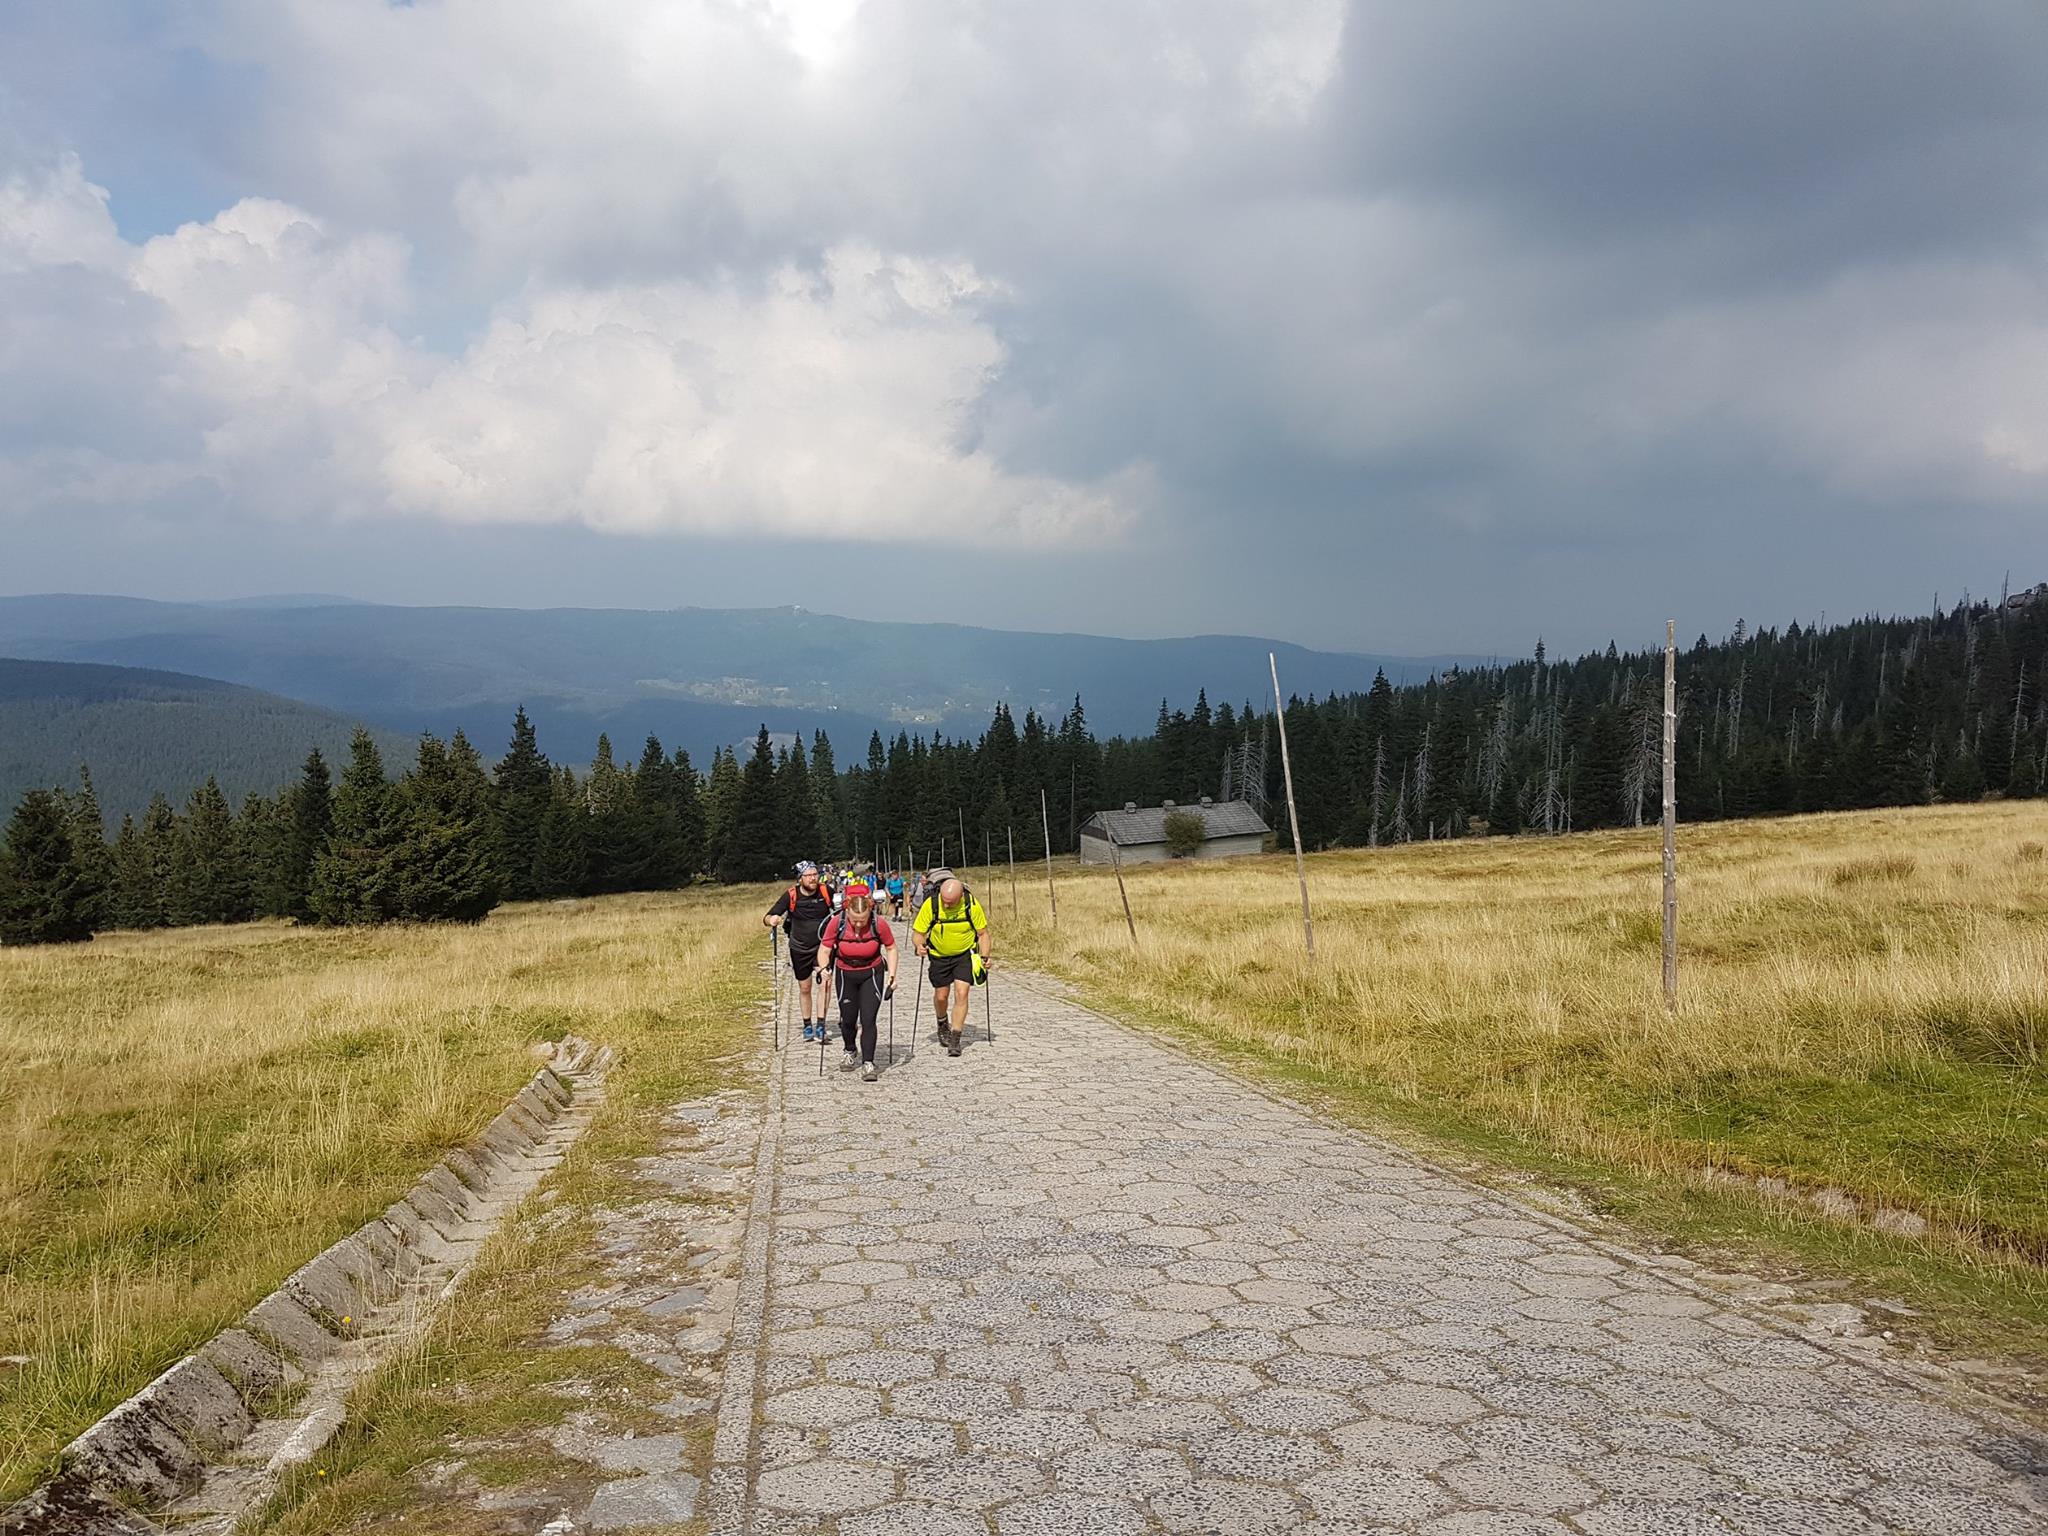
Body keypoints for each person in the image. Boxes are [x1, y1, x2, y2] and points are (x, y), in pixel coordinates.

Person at [818, 880, 898, 1082]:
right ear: (849, 913)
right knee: (848, 1019)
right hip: (845, 973)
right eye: (855, 920)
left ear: (869, 911)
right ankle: (850, 1050)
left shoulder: (878, 923)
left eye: (863, 920)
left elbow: (891, 947)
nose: (859, 924)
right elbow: (825, 948)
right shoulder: (838, 922)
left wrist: (892, 976)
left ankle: (868, 1062)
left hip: (872, 972)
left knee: (869, 1019)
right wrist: (824, 967)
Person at [910, 873, 991, 1058]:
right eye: (944, 901)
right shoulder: (932, 904)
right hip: (938, 956)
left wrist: (985, 955)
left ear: (961, 896)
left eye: (951, 902)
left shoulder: (970, 904)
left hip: (964, 955)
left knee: (962, 993)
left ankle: (955, 1037)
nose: (946, 905)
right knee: (941, 996)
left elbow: (983, 933)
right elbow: (918, 932)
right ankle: (942, 1022)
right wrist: (919, 945)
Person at [764, 861, 834, 1041]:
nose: (813, 878)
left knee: (825, 983)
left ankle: (821, 1024)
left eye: (815, 874)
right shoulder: (791, 895)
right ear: (800, 878)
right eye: (808, 875)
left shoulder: (826, 891)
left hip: (822, 948)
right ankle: (807, 1025)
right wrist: (772, 919)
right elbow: (768, 916)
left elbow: (842, 908)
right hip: (800, 948)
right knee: (805, 987)